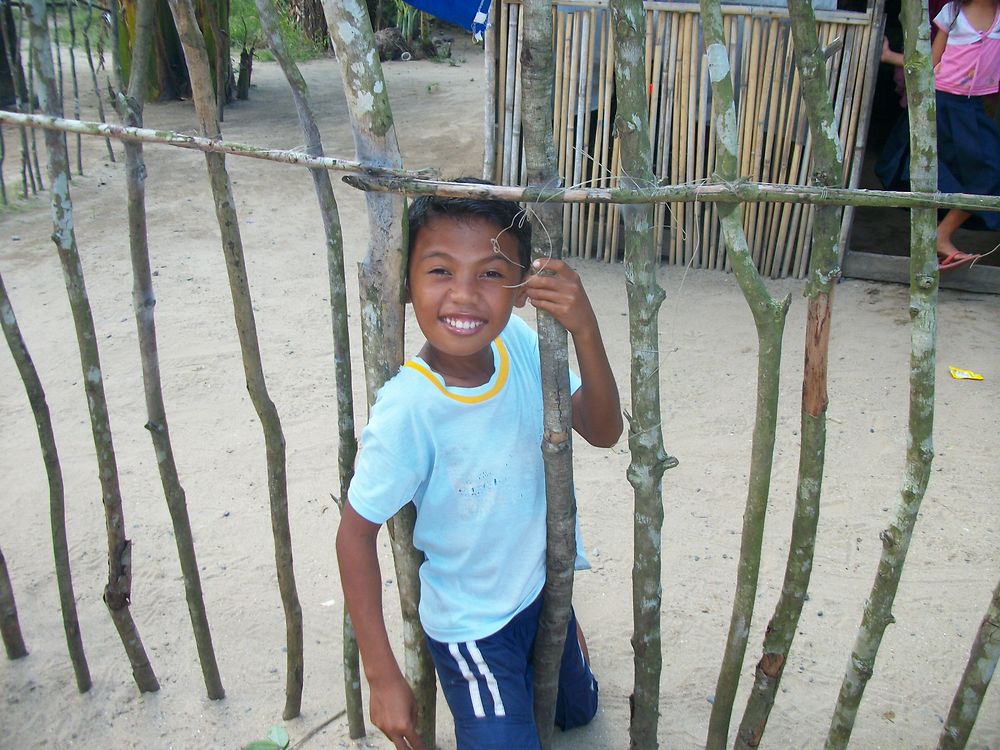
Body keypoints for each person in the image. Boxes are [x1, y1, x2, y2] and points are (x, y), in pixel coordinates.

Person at [336, 183, 623, 750]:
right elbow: (353, 537)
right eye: (440, 271)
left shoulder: (518, 340)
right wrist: (383, 674)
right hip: (475, 630)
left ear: (522, 288)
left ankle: (569, 644)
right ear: (407, 283)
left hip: (544, 592)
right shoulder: (409, 411)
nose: (464, 296)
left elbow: (604, 430)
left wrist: (584, 329)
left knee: (580, 711)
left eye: (491, 274)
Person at [876, 0, 1000, 271]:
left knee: (989, 175)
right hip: (941, 104)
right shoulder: (952, 13)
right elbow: (929, 64)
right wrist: (888, 57)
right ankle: (935, 240)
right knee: (940, 174)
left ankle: (940, 236)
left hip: (974, 109)